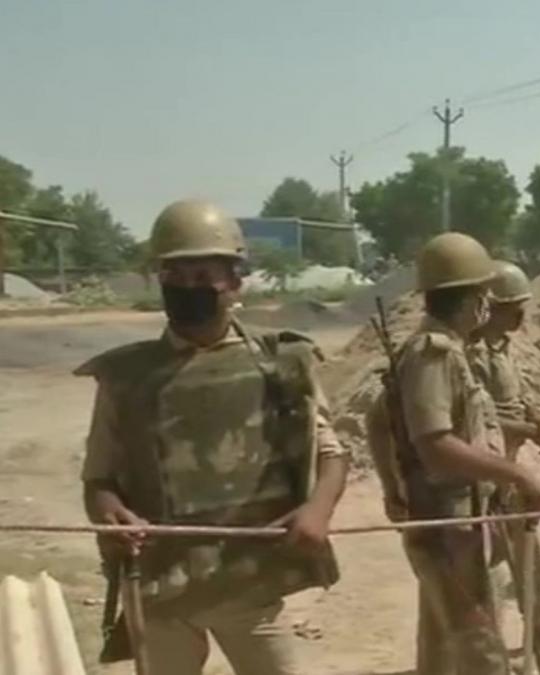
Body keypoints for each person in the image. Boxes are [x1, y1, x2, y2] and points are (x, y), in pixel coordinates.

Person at [77, 199, 348, 675]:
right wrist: (107, 513)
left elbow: (331, 454)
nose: (188, 289)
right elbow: (97, 478)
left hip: (249, 581)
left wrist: (317, 510)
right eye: (175, 276)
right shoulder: (126, 378)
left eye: (203, 277)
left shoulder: (280, 363)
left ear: (235, 280)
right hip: (160, 587)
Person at [381, 232, 540, 675]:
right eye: (484, 296)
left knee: (442, 648)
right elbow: (436, 446)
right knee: (482, 653)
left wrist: (391, 487)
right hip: (448, 524)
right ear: (473, 300)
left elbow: (377, 421)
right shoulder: (432, 355)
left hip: (457, 520)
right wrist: (518, 475)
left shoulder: (444, 351)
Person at [466, 261, 540, 656]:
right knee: (491, 567)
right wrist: (532, 431)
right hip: (486, 468)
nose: (521, 313)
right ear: (492, 307)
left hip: (513, 466)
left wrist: (536, 416)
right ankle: (492, 649)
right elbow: (479, 416)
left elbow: (514, 399)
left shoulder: (502, 347)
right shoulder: (470, 352)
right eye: (513, 305)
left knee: (530, 553)